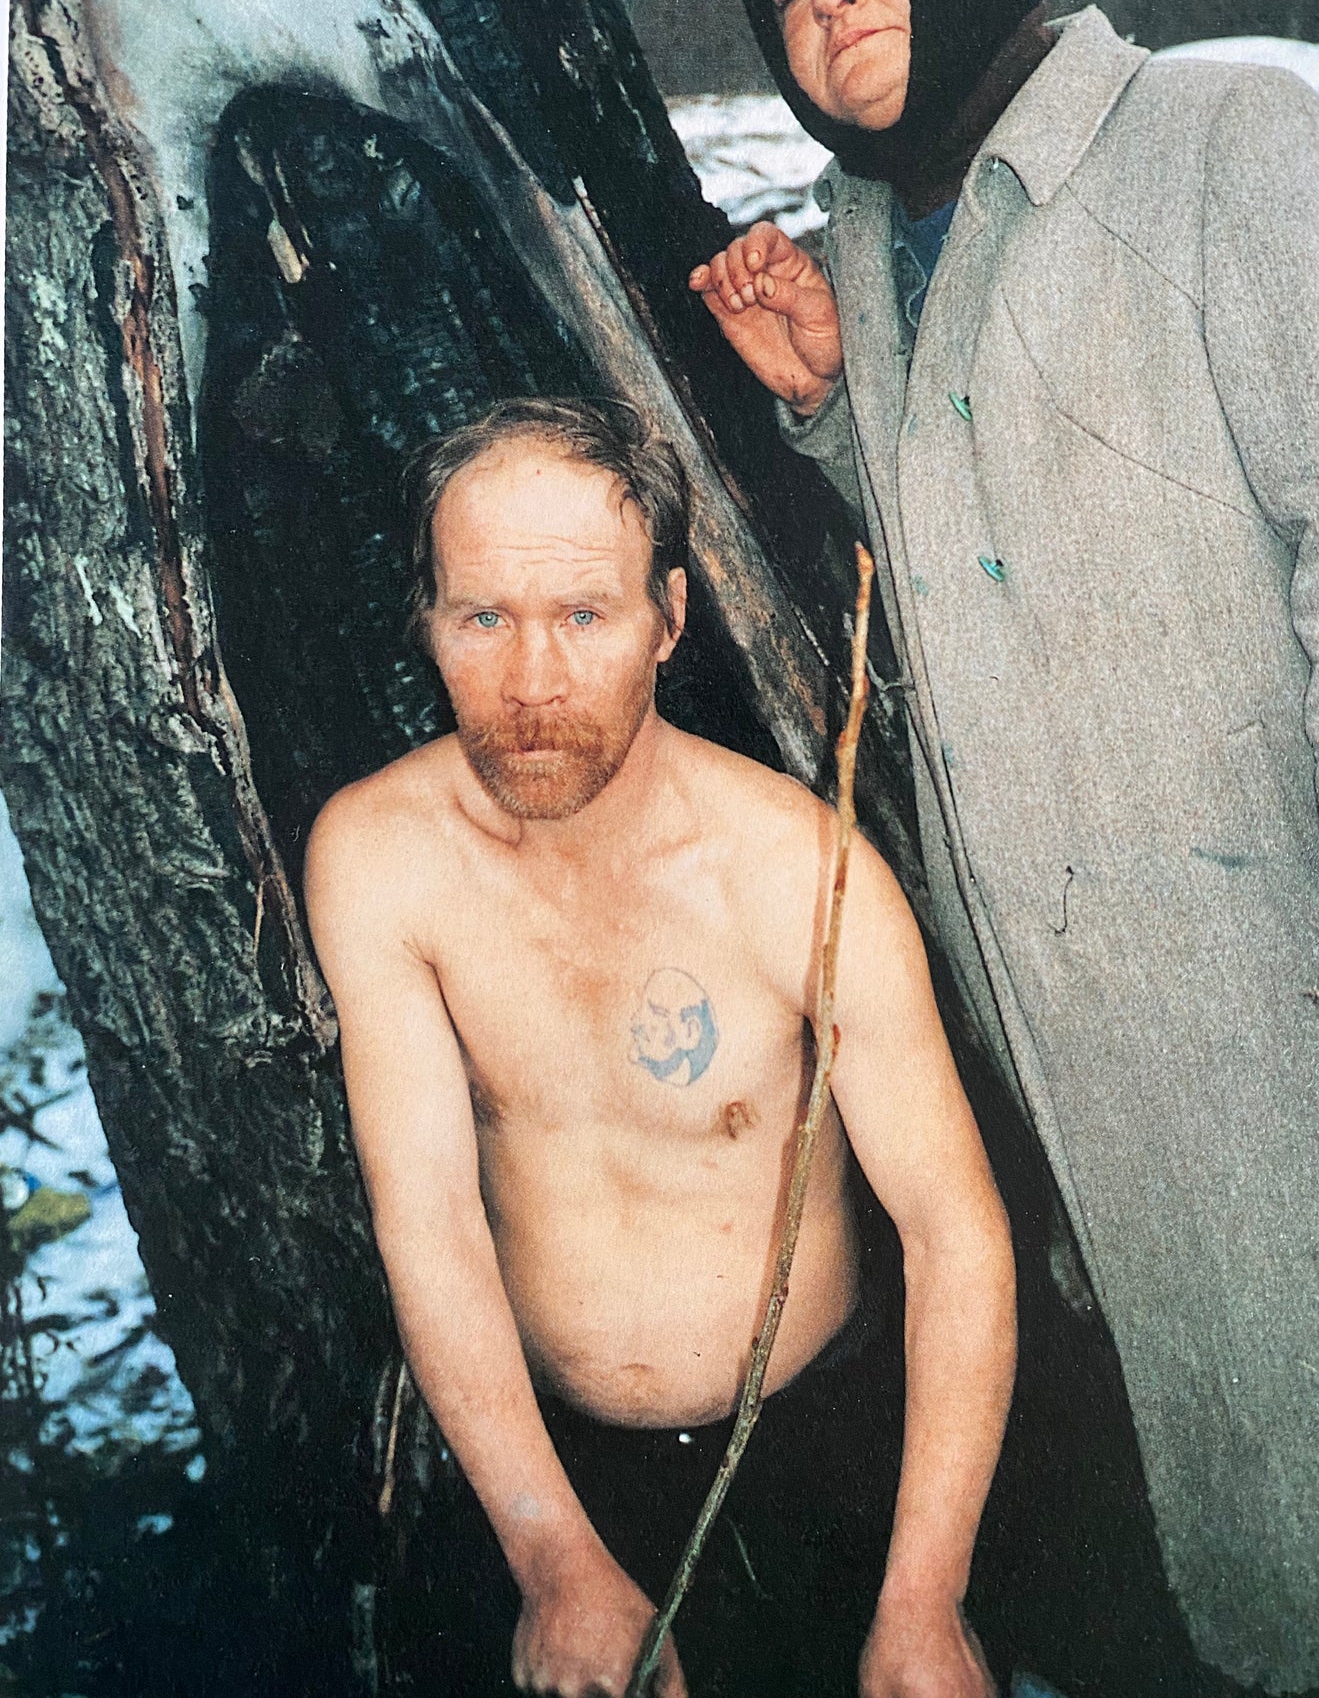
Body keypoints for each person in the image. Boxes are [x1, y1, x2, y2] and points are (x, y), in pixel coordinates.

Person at [690, 0, 1319, 1696]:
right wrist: (827, 418)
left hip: (1318, 981)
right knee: (1244, 1527)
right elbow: (995, 558)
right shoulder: (875, 234)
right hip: (1084, 1042)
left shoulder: (1217, 137)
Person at [304, 395, 1016, 1698]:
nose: (532, 682)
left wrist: (926, 1596)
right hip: (551, 1465)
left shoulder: (793, 871)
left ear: (669, 618)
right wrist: (552, 1561)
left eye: (584, 615)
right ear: (426, 619)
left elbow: (951, 1230)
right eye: (483, 618)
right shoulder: (381, 858)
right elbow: (431, 1223)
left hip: (828, 1447)